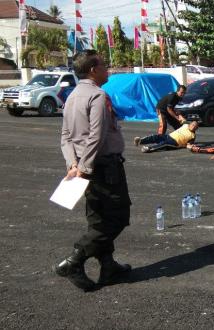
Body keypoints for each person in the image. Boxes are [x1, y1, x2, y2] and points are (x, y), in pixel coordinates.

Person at [56, 50, 131, 291]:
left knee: (98, 219)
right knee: (118, 217)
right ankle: (75, 260)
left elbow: (66, 136)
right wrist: (85, 168)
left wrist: (73, 164)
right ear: (92, 70)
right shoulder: (98, 96)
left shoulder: (72, 96)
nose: (107, 68)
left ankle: (108, 267)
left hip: (82, 167)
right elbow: (96, 136)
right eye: (104, 65)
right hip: (103, 166)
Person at [134, 121, 199, 153]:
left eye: (195, 126)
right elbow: (181, 118)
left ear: (196, 128)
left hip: (175, 143)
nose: (193, 126)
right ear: (190, 124)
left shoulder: (192, 136)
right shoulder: (185, 125)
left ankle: (149, 148)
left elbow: (189, 144)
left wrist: (191, 147)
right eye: (193, 124)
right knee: (156, 137)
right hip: (169, 136)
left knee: (164, 144)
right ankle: (140, 141)